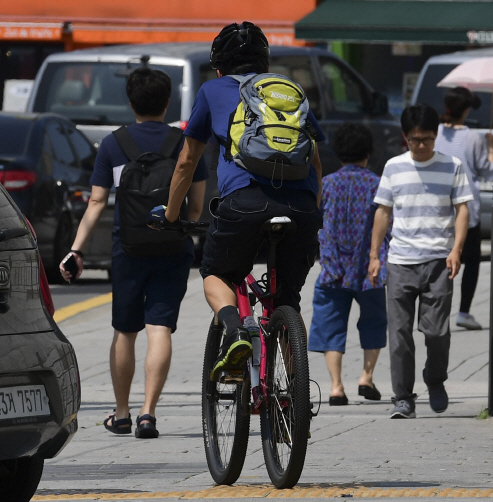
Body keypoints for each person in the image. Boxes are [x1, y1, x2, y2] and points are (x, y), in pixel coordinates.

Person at [151, 22, 324, 378]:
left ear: (219, 67)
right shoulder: (289, 91)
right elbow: (316, 161)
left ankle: (234, 332)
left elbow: (187, 161)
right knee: (286, 299)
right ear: (264, 62)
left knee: (217, 272)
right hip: (302, 208)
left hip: (245, 204)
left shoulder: (213, 90)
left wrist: (171, 216)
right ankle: (295, 400)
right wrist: (313, 211)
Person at [59, 67, 208, 438]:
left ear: (130, 102)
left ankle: (122, 413)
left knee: (125, 331)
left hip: (127, 247)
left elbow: (95, 202)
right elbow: (195, 207)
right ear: (167, 102)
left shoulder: (113, 144)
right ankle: (148, 413)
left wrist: (76, 250)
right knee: (160, 327)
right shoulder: (184, 143)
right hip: (172, 246)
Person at [368, 104, 473, 419]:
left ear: (436, 135)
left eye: (427, 139)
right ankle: (403, 397)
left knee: (437, 333)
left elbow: (463, 209)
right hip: (400, 261)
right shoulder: (393, 167)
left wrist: (456, 250)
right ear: (405, 137)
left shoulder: (452, 166)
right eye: (415, 140)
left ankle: (435, 380)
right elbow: (383, 212)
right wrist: (375, 256)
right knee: (399, 335)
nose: (421, 145)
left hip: (439, 261)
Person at [308, 123, 389, 406]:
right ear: (368, 152)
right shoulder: (377, 185)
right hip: (370, 269)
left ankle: (335, 386)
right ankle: (366, 377)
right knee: (374, 322)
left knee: (330, 324)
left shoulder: (326, 184)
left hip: (333, 267)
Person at [435, 87, 493, 331]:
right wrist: (491, 147)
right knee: (470, 260)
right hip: (466, 207)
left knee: (441, 260)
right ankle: (463, 311)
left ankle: (437, 310)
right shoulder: (473, 137)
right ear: (467, 109)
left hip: (440, 205)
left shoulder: (436, 132)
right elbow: (487, 170)